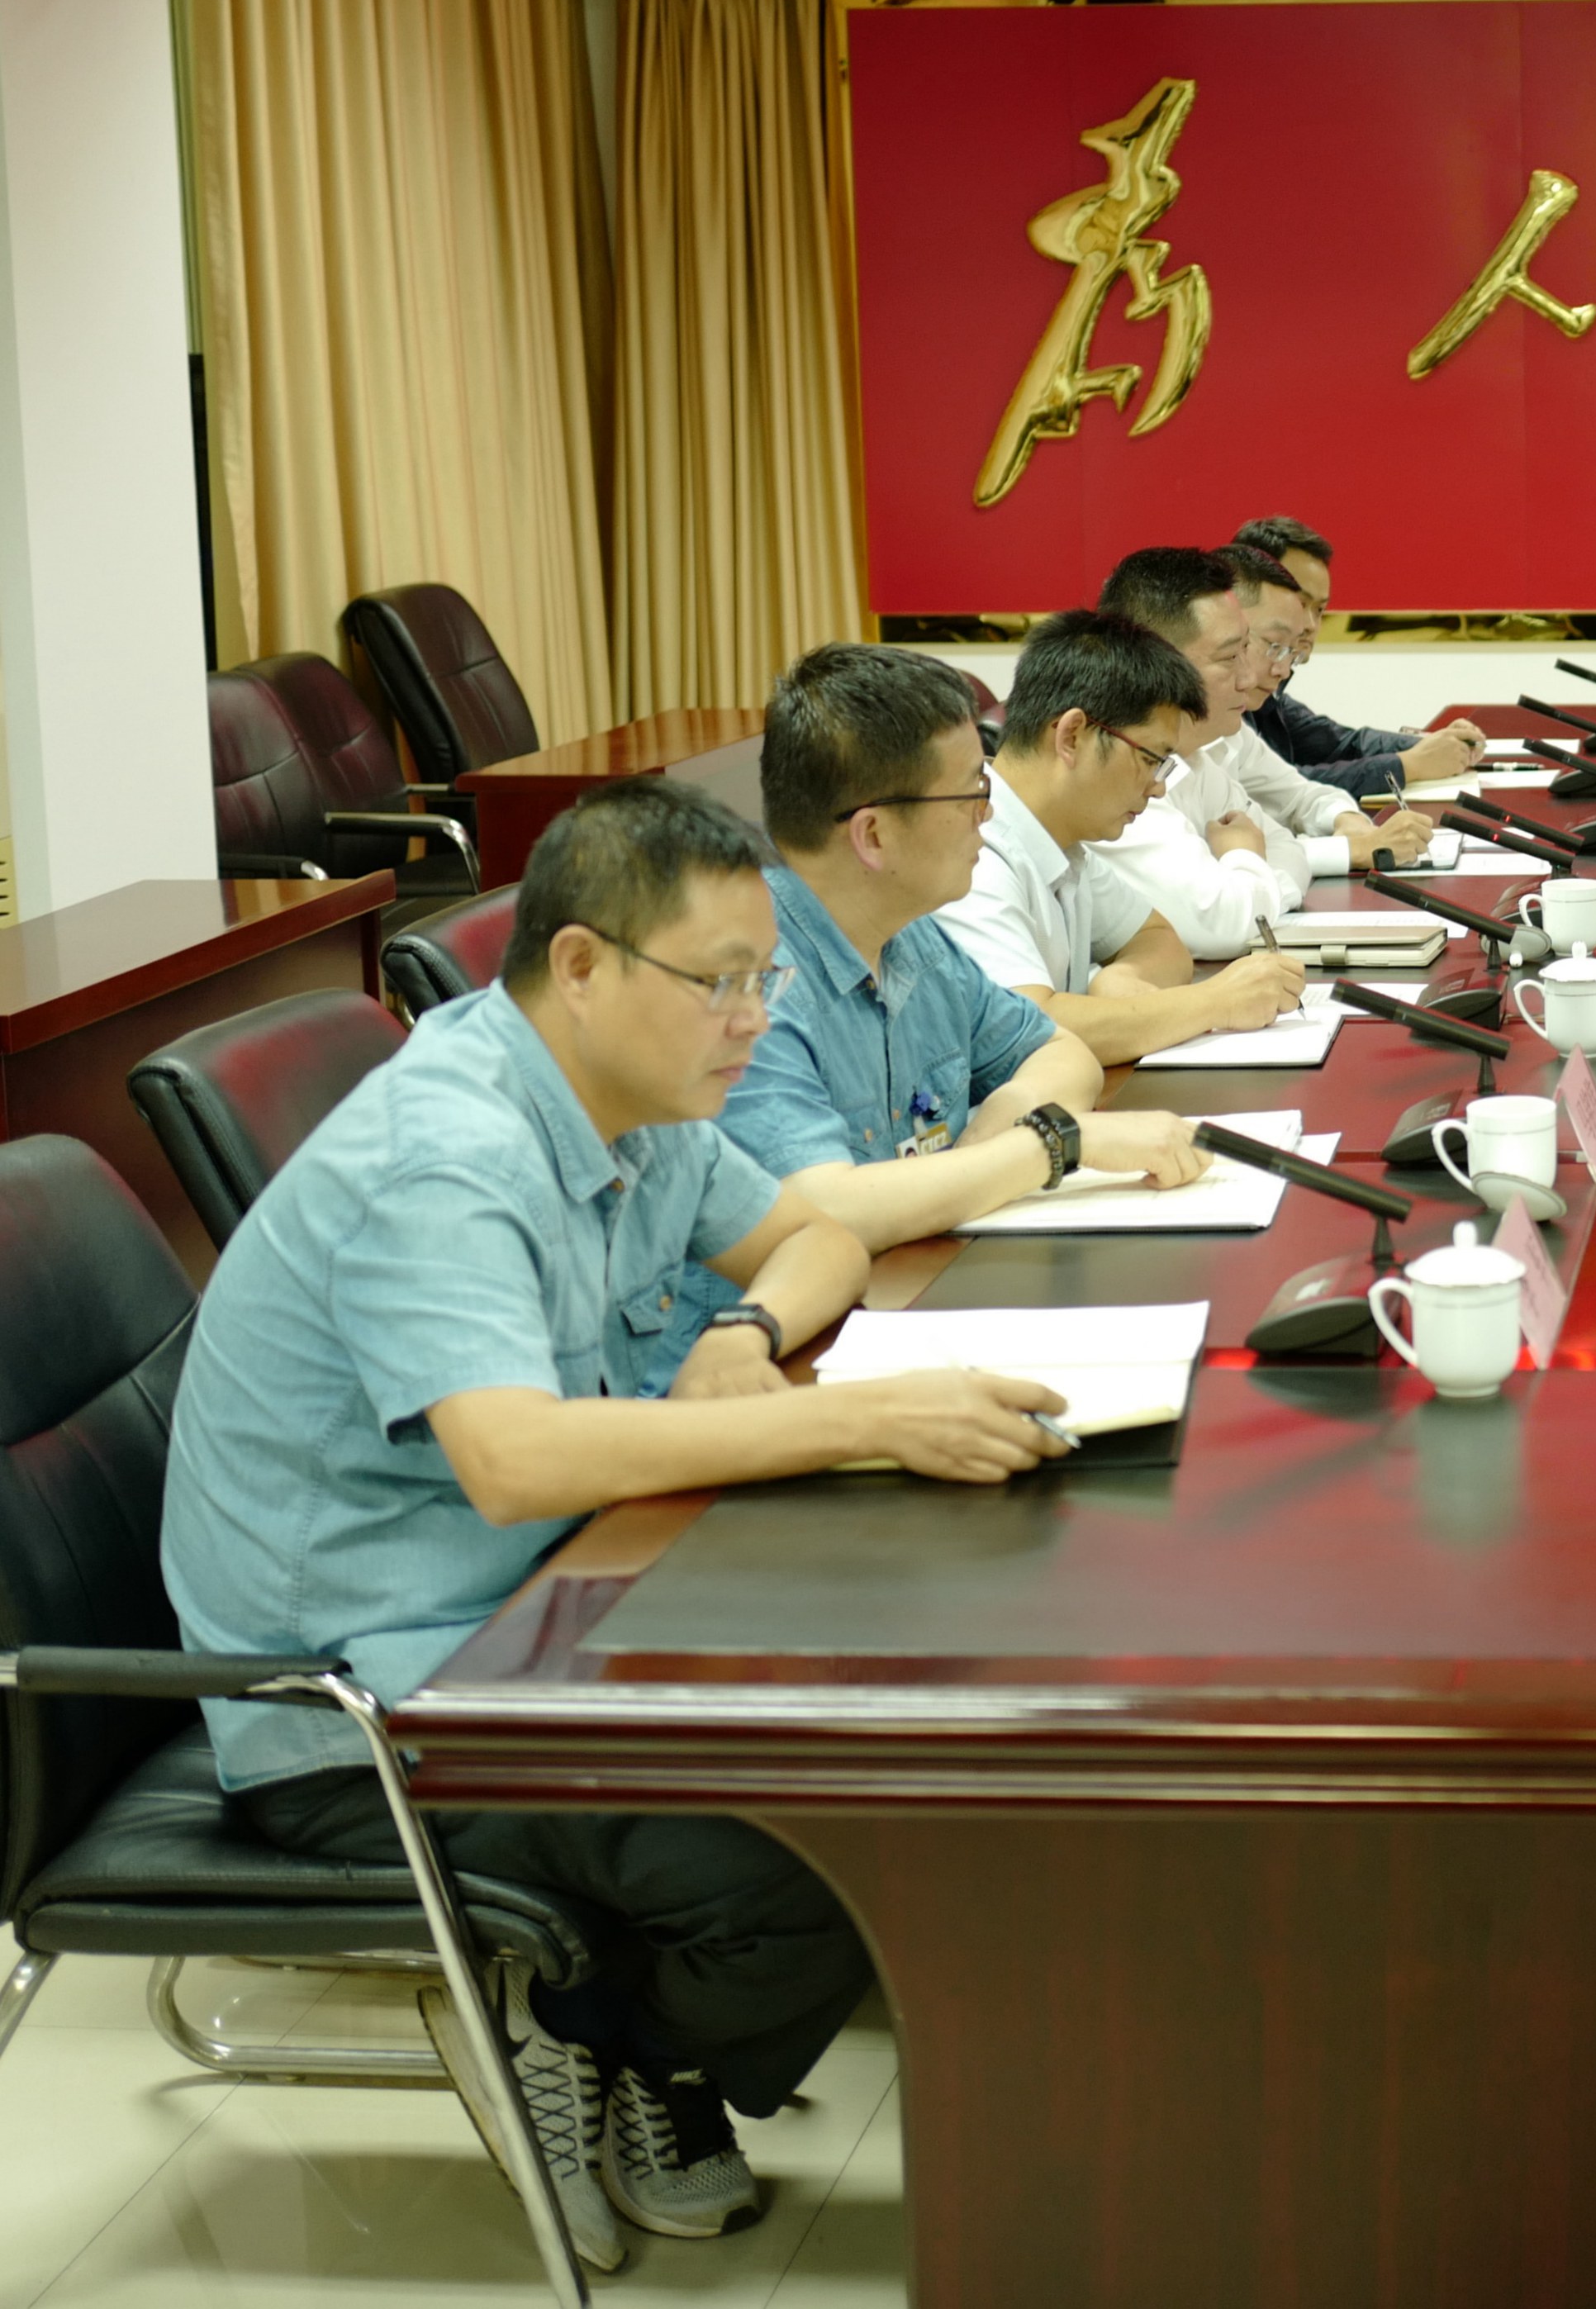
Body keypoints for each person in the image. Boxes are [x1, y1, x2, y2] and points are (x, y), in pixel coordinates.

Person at [163, 779, 1074, 2272]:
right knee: (822, 1869)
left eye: (764, 980)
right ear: (580, 966)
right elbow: (515, 1460)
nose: (751, 1020)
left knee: (909, 1737)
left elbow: (818, 1234)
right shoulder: (450, 1155)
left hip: (565, 1596)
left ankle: (614, 2026)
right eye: (720, 983)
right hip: (368, 1705)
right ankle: (588, 2029)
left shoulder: (625, 1094)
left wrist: (747, 1329)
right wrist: (850, 1418)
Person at [638, 645, 1214, 1389]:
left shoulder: (910, 936)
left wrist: (999, 1126)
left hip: (900, 1306)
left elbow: (1059, 1053)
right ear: (873, 835)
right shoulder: (747, 982)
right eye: (971, 793)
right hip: (751, 1380)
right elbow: (821, 1209)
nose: (988, 814)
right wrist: (1047, 1144)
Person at [938, 607, 1310, 1064]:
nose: (1157, 787)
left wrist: (1119, 980)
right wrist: (1217, 1002)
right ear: (1072, 736)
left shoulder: (1065, 840)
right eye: (1151, 759)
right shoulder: (972, 853)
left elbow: (1159, 938)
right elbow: (1028, 1028)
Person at [1088, 545, 1430, 953]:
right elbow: (1221, 927)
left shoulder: (1195, 758)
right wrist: (1246, 858)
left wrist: (1243, 878)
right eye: (1233, 655)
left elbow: (1287, 848)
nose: (1250, 677)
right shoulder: (1119, 771)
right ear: (1161, 660)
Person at [1228, 514, 1487, 793]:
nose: (1310, 625)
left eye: (1319, 609)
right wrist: (1407, 765)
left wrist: (1435, 745)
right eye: (1300, 603)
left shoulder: (1271, 689)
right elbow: (1271, 790)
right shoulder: (1222, 694)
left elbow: (1340, 744)